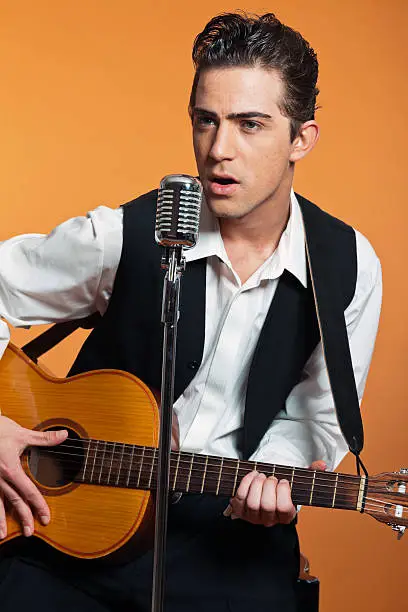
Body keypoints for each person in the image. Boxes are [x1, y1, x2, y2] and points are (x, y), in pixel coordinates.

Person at [0, 11, 382, 612]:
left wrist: (271, 476)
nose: (219, 151)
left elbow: (323, 418)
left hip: (231, 538)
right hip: (72, 516)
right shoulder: (124, 234)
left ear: (301, 139)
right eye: (207, 121)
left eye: (250, 124)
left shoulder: (347, 265)